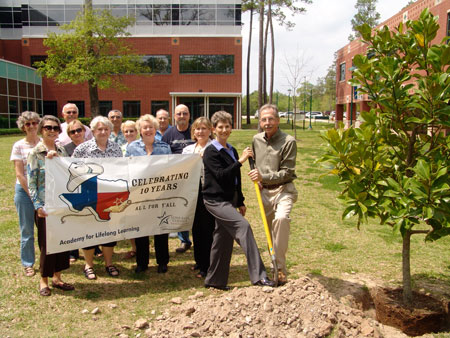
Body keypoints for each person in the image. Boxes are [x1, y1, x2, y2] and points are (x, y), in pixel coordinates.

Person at [202, 111, 275, 290]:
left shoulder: (231, 150)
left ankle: (215, 281)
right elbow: (221, 176)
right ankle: (259, 276)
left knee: (222, 240)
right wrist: (241, 161)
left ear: (231, 128)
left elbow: (235, 179)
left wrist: (240, 201)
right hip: (215, 201)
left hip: (229, 201)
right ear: (214, 129)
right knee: (243, 227)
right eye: (220, 127)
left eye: (227, 126)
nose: (224, 130)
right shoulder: (210, 151)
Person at [248, 104, 298, 285]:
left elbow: (287, 172)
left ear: (277, 120)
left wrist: (264, 177)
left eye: (270, 119)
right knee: (271, 233)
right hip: (265, 193)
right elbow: (254, 162)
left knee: (282, 219)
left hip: (283, 189)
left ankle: (280, 268)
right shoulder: (256, 139)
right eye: (263, 119)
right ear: (259, 122)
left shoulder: (288, 141)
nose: (267, 123)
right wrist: (257, 176)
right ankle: (275, 264)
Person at [27, 115, 74, 296]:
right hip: (45, 206)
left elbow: (68, 173)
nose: (52, 131)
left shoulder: (62, 150)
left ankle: (57, 278)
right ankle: (43, 281)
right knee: (47, 244)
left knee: (61, 242)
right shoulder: (35, 153)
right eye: (48, 127)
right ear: (41, 129)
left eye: (55, 128)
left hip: (61, 204)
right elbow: (32, 183)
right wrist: (38, 206)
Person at [72, 116, 123, 280]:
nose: (103, 132)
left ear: (110, 130)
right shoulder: (82, 149)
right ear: (93, 131)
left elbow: (122, 170)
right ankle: (89, 265)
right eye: (99, 129)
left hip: (109, 195)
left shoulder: (116, 148)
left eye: (106, 129)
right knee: (88, 229)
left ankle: (109, 263)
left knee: (109, 230)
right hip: (89, 195)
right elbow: (71, 168)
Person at [125, 114, 171, 274]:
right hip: (139, 195)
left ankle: (162, 261)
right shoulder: (131, 148)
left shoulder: (164, 147)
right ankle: (142, 262)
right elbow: (127, 169)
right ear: (140, 130)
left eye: (151, 127)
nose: (148, 130)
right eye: (144, 127)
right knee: (141, 229)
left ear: (155, 129)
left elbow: (171, 170)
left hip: (160, 194)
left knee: (161, 228)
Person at [182, 117, 215, 278]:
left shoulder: (214, 148)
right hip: (191, 193)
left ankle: (207, 264)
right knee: (195, 228)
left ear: (210, 130)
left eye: (204, 128)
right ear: (193, 132)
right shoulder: (187, 150)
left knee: (207, 229)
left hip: (208, 192)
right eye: (197, 129)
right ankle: (198, 260)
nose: (200, 132)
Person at [10, 111, 41, 277]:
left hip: (43, 191)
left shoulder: (45, 143)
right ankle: (28, 263)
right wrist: (32, 195)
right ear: (23, 127)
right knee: (27, 230)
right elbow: (20, 173)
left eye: (34, 123)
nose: (31, 126)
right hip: (24, 192)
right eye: (27, 124)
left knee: (45, 229)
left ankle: (46, 260)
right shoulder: (18, 145)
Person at [162, 104, 195, 253]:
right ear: (174, 116)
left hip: (195, 176)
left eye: (185, 113)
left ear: (189, 115)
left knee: (195, 208)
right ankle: (184, 240)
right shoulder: (168, 134)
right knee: (180, 208)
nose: (182, 116)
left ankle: (200, 237)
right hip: (176, 177)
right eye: (179, 114)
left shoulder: (196, 130)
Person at [64, 119, 88, 263]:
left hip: (89, 187)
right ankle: (73, 250)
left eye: (79, 130)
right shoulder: (64, 149)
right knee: (74, 218)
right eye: (73, 132)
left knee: (89, 217)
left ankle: (94, 247)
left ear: (84, 131)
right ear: (69, 135)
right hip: (73, 187)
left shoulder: (91, 147)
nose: (77, 133)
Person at [120, 120, 139, 259]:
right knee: (131, 218)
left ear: (137, 132)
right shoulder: (120, 149)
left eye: (132, 131)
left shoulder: (141, 147)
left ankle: (142, 247)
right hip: (126, 187)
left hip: (141, 186)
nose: (129, 133)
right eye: (126, 131)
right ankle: (134, 247)